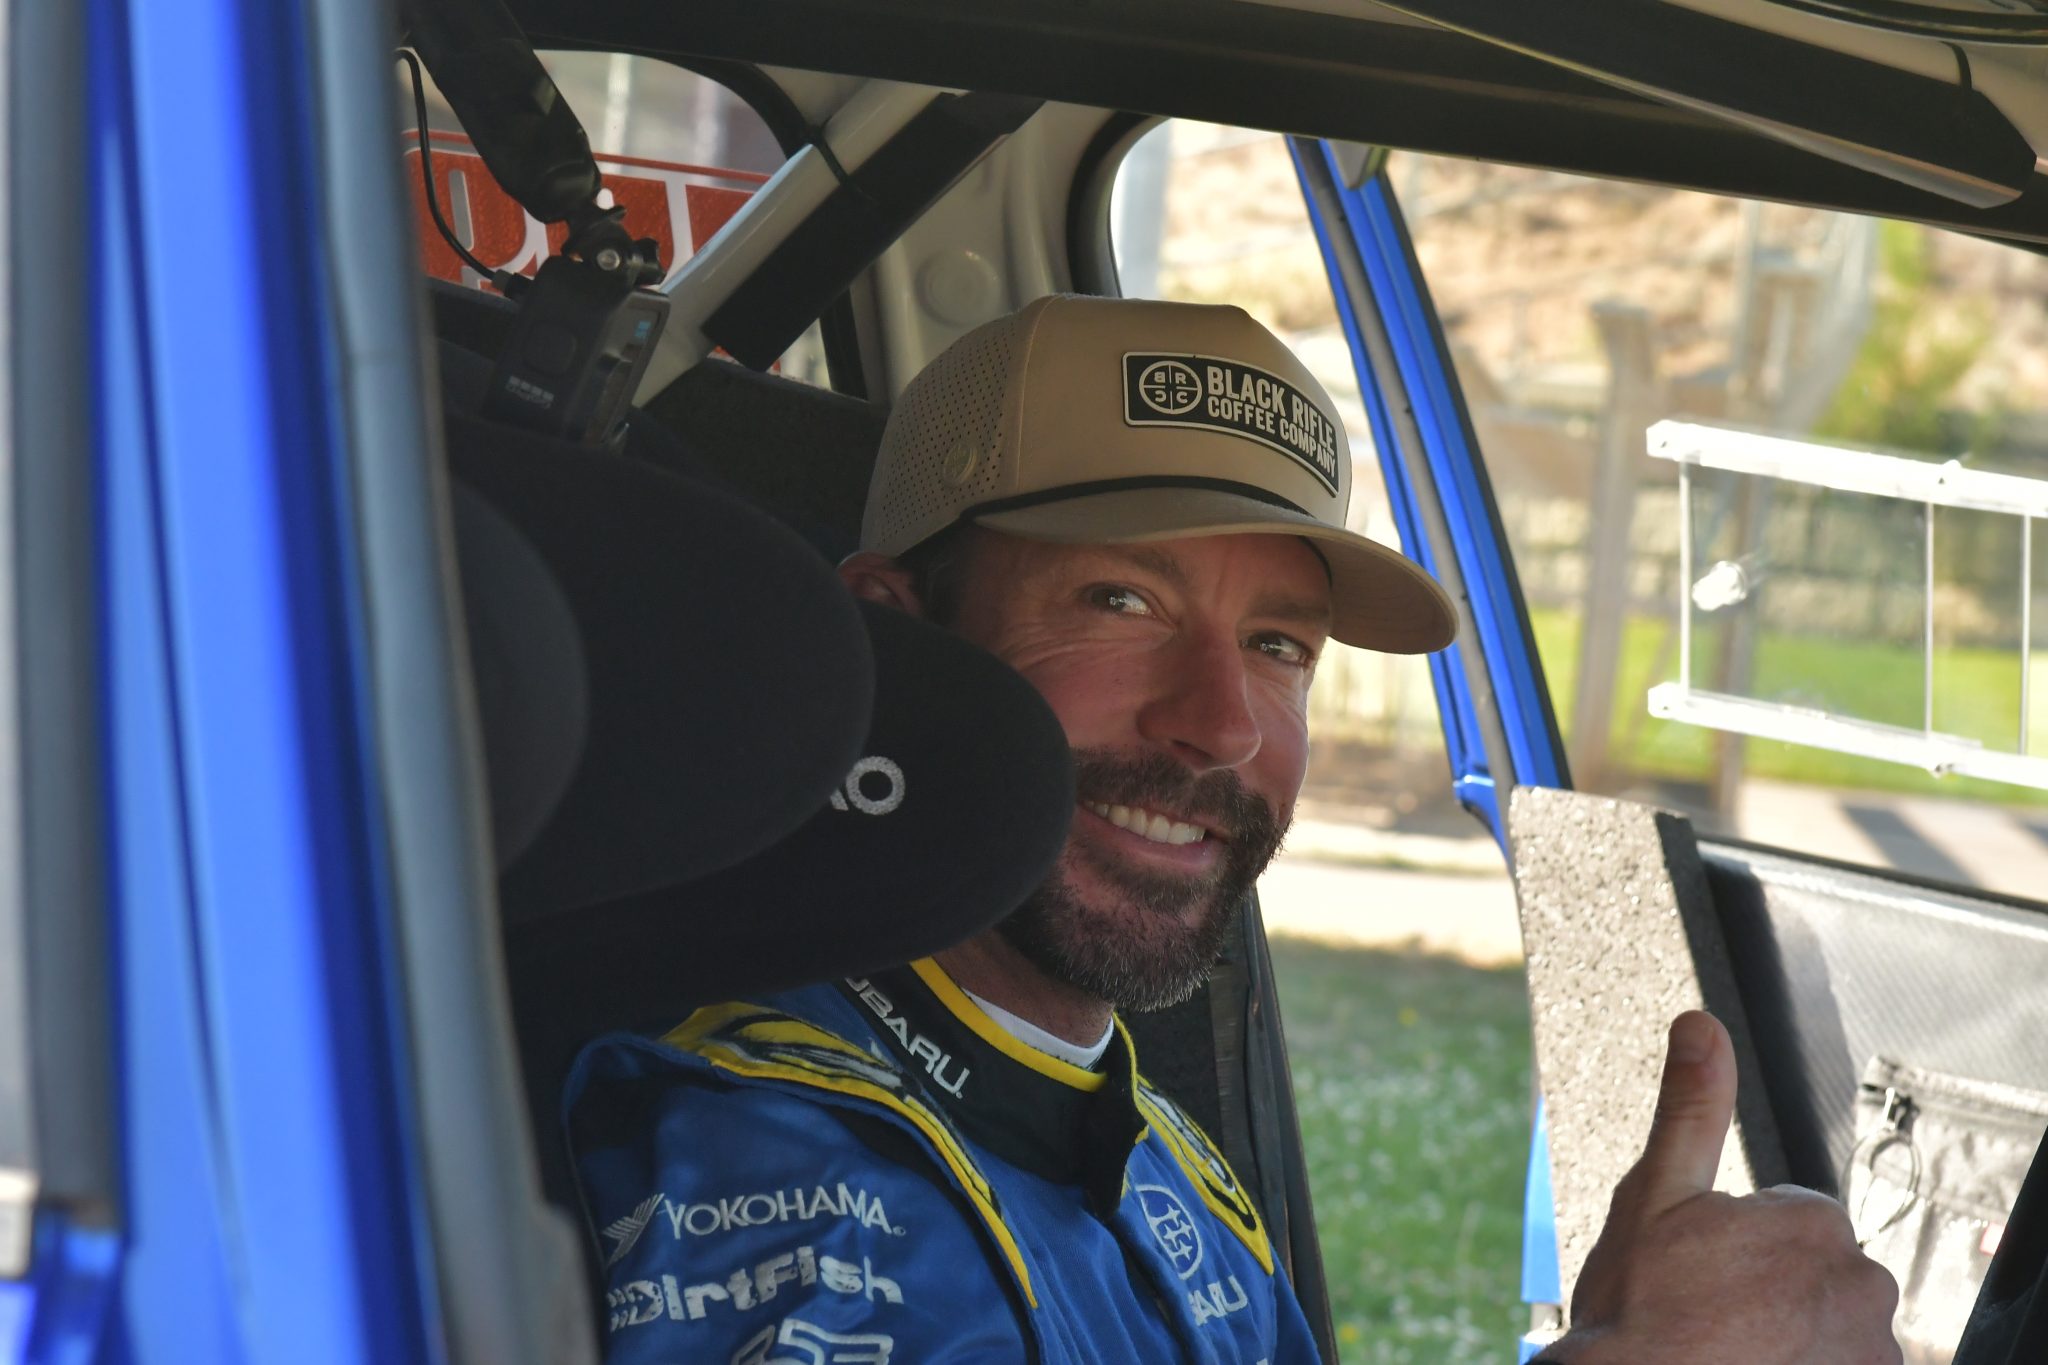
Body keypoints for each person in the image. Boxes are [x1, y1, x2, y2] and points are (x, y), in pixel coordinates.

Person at [566, 295, 1901, 1364]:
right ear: (896, 638)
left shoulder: (1168, 1169)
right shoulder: (755, 1164)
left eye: (1278, 647)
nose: (1221, 725)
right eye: (1120, 601)